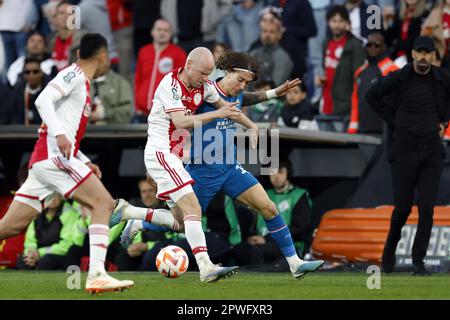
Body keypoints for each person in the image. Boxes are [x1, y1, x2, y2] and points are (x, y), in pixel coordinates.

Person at [114, 50, 324, 279]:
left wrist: (272, 96)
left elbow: (246, 99)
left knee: (269, 207)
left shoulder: (235, 95)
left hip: (230, 169)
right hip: (202, 169)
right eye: (240, 80)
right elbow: (175, 125)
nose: (242, 86)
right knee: (181, 222)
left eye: (246, 83)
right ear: (227, 73)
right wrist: (156, 164)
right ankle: (139, 221)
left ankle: (294, 262)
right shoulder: (203, 91)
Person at [0, 33, 133, 292]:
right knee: (104, 203)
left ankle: (97, 274)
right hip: (53, 160)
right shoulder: (73, 75)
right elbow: (42, 100)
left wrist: (83, 160)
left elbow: (67, 133)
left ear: (78, 53)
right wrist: (60, 134)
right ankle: (96, 274)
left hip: (44, 162)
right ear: (103, 57)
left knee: (10, 226)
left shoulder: (80, 81)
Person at [112, 47, 245, 283]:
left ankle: (131, 213)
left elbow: (226, 105)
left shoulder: (203, 86)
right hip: (161, 153)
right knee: (194, 209)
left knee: (182, 223)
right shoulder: (170, 85)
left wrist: (252, 125)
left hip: (172, 156)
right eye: (203, 73)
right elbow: (182, 121)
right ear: (188, 65)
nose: (207, 79)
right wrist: (218, 113)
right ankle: (206, 267)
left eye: (210, 74)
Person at [366, 36, 450, 275]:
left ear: (434, 56)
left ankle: (418, 262)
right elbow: (371, 96)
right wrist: (395, 121)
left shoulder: (442, 78)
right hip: (404, 150)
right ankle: (390, 247)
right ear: (413, 54)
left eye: (428, 53)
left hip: (431, 150)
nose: (423, 57)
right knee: (402, 208)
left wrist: (445, 118)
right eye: (419, 52)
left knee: (426, 208)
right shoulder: (400, 77)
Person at [232, 161, 314, 266]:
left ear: (288, 173)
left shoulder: (299, 195)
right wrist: (252, 237)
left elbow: (299, 228)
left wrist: (266, 239)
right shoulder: (264, 194)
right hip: (261, 241)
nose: (276, 176)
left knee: (255, 251)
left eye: (280, 172)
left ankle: (258, 279)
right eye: (272, 172)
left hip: (288, 244)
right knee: (236, 249)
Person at [133, 19, 186, 124]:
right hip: (142, 112)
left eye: (166, 30)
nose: (162, 33)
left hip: (164, 114)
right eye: (159, 29)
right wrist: (137, 106)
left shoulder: (178, 53)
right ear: (152, 32)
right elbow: (138, 80)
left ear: (170, 34)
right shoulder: (143, 52)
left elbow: (182, 83)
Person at [316, 5, 365, 116]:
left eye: (341, 21)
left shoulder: (355, 45)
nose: (337, 25)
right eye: (334, 21)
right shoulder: (326, 43)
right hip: (325, 103)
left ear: (347, 23)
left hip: (345, 107)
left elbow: (358, 77)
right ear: (328, 22)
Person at [348, 32, 398, 135]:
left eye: (377, 44)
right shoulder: (360, 71)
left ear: (384, 47)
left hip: (384, 131)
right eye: (369, 45)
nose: (372, 47)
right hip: (362, 130)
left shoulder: (392, 69)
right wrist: (352, 128)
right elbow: (355, 100)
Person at [16, 195, 79, 270]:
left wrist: (40, 253)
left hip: (59, 254)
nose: (52, 198)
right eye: (49, 195)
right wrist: (31, 253)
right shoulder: (37, 212)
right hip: (38, 254)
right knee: (22, 260)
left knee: (46, 260)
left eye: (56, 194)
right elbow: (30, 241)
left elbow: (66, 244)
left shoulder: (69, 211)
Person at [11, 57, 49, 125]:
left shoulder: (49, 90)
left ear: (42, 73)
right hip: (21, 131)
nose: (31, 75)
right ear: (24, 75)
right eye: (27, 72)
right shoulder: (17, 91)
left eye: (35, 71)